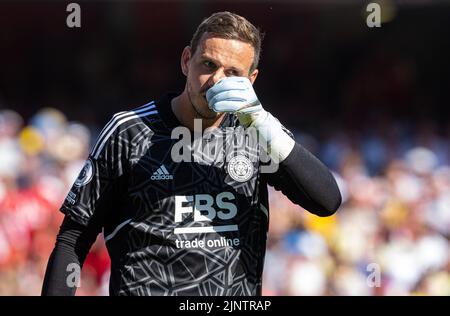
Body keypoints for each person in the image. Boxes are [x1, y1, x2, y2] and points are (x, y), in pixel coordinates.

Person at [42, 11, 341, 296]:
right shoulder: (128, 131)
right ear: (187, 61)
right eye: (209, 65)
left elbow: (326, 201)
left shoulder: (258, 134)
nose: (216, 81)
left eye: (233, 73)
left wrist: (262, 122)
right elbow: (72, 239)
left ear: (251, 80)